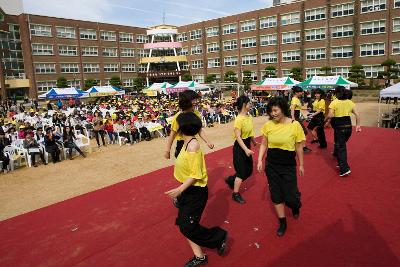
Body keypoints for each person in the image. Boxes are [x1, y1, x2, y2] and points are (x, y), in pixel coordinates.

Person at [165, 112, 228, 267]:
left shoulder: (192, 146)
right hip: (187, 190)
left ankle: (218, 237)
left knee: (188, 226)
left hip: (195, 192)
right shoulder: (186, 143)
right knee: (184, 225)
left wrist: (179, 190)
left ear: (181, 128)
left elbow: (196, 174)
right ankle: (199, 256)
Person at [257, 97, 305, 237]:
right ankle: (282, 222)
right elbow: (264, 143)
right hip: (271, 164)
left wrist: (301, 164)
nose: (273, 113)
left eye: (276, 110)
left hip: (288, 165)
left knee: (291, 198)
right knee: (276, 195)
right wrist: (260, 160)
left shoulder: (294, 125)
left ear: (283, 109)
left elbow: (299, 147)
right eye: (271, 111)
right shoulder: (268, 125)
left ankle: (295, 205)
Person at [225, 95, 257, 204]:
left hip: (247, 144)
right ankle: (235, 194)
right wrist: (246, 150)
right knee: (242, 171)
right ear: (244, 105)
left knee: (249, 171)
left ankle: (230, 180)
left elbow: (250, 132)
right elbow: (238, 137)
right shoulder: (238, 119)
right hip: (240, 147)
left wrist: (253, 141)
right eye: (249, 103)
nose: (250, 105)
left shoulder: (249, 117)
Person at [165, 90, 214, 160]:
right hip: (182, 145)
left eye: (196, 99)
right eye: (193, 100)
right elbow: (172, 135)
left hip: (193, 142)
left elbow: (199, 130)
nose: (196, 101)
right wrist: (167, 150)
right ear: (186, 101)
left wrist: (208, 142)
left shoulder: (197, 113)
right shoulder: (178, 117)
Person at [325, 87, 361, 177]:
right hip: (348, 127)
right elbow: (357, 114)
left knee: (341, 147)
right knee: (340, 144)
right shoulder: (350, 102)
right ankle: (340, 161)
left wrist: (325, 120)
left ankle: (344, 169)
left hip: (339, 126)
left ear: (336, 93)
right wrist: (358, 125)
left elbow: (330, 115)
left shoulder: (334, 102)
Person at [290, 86, 312, 153]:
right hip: (295, 118)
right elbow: (292, 108)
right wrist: (293, 118)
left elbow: (298, 108)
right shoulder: (295, 99)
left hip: (297, 117)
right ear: (296, 93)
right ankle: (303, 147)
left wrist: (306, 109)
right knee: (303, 132)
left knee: (298, 132)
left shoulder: (296, 99)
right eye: (300, 92)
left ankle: (299, 146)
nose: (302, 93)